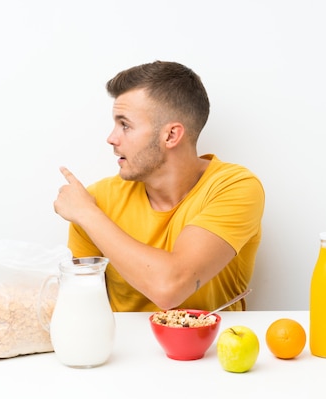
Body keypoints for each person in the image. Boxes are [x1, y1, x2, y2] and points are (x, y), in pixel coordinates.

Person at [54, 61, 265, 312]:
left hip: (214, 349)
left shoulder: (236, 187)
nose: (111, 138)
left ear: (171, 135)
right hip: (123, 350)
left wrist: (88, 215)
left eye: (125, 125)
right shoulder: (97, 199)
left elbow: (170, 287)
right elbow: (80, 307)